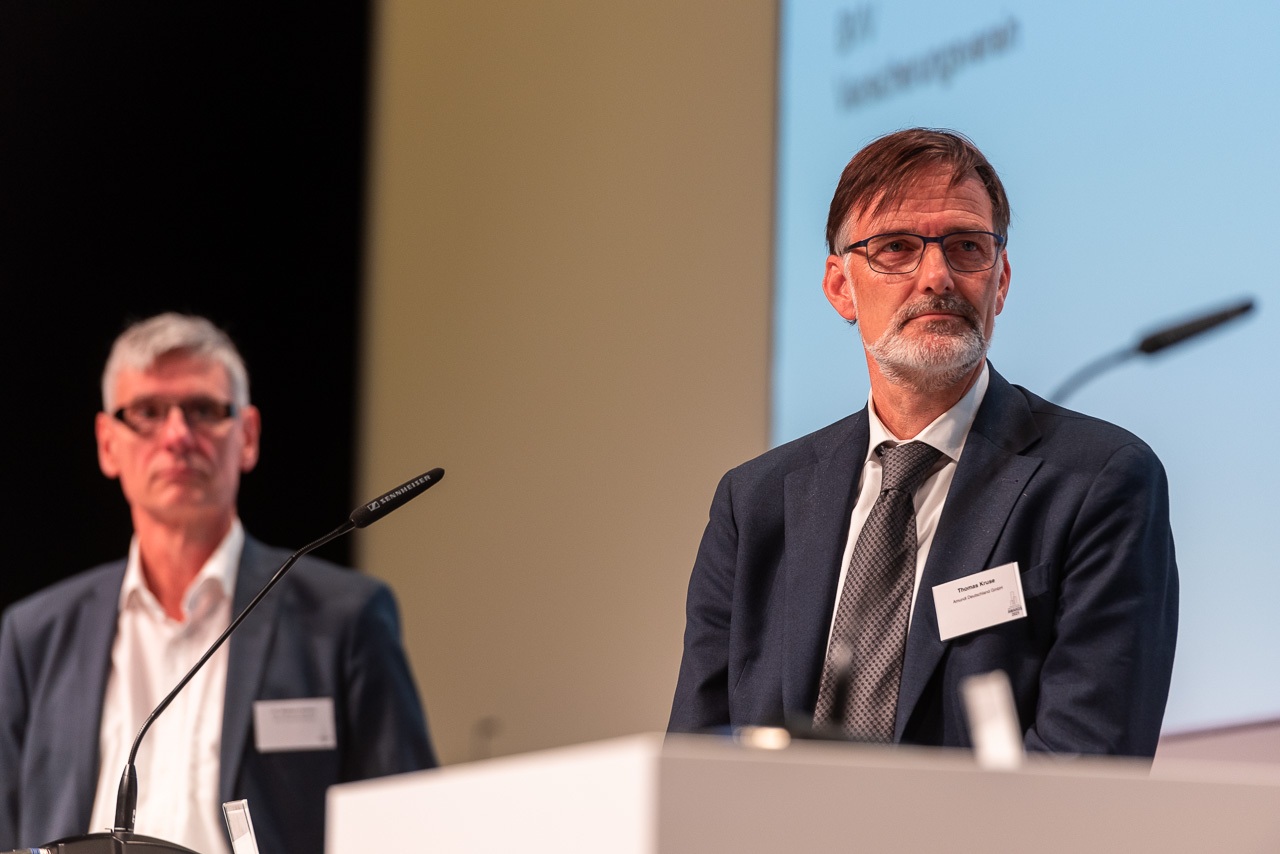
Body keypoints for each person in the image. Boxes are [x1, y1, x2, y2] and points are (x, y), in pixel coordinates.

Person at [668, 129, 1178, 757]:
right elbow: (695, 764)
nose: (937, 276)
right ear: (840, 287)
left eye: (966, 247)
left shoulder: (1098, 480)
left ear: (1001, 280)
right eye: (896, 248)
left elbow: (1085, 768)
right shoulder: (755, 504)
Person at [0, 313, 436, 854]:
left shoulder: (343, 617)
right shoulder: (34, 636)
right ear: (107, 443)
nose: (178, 436)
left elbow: (409, 828)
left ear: (248, 436)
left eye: (204, 410)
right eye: (148, 412)